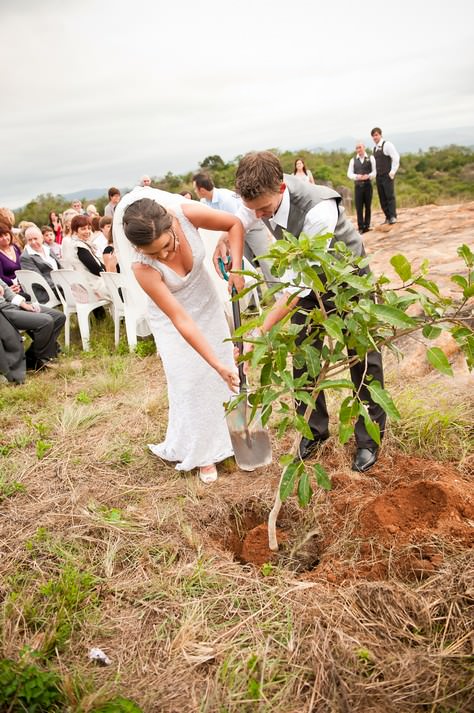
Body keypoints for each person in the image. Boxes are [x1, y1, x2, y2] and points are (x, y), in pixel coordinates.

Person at [219, 150, 385, 473]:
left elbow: (296, 288)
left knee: (363, 360)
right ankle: (314, 431)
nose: (261, 216)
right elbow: (238, 223)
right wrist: (232, 254)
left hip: (347, 280)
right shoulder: (256, 199)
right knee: (303, 357)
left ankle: (368, 440)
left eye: (265, 209)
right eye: (255, 209)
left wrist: (258, 333)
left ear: (281, 188)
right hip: (307, 282)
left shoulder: (318, 210)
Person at [114, 187, 244, 483]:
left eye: (166, 244)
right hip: (173, 319)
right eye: (153, 253)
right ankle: (202, 453)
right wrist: (215, 363)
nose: (163, 254)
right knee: (190, 380)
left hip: (206, 302)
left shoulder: (186, 214)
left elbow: (234, 224)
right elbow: (179, 318)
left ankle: (227, 439)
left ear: (171, 224)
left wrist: (237, 268)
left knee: (223, 376)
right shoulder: (141, 267)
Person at [192, 172, 274, 289]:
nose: (195, 191)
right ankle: (253, 300)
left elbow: (239, 222)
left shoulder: (225, 199)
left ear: (202, 190)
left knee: (265, 261)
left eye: (195, 189)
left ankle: (279, 294)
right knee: (243, 265)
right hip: (232, 234)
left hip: (251, 228)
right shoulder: (204, 203)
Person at [0, 277, 65, 371]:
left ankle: (32, 358)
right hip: (3, 312)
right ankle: (42, 358)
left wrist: (25, 305)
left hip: (10, 305)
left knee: (58, 317)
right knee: (45, 321)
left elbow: (7, 291)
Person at [68, 215, 109, 299]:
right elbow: (95, 268)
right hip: (91, 286)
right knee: (119, 288)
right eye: (83, 229)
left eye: (89, 228)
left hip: (85, 283)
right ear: (75, 230)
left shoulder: (77, 243)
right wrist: (108, 274)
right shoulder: (79, 246)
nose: (87, 231)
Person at [20, 226, 61, 302]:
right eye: (29, 240)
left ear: (41, 238)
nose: (33, 242)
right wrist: (61, 286)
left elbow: (60, 267)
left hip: (58, 285)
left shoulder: (48, 249)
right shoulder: (26, 257)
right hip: (45, 291)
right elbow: (38, 280)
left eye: (35, 238)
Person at [371, 127, 400, 225]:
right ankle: (387, 217)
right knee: (382, 197)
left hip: (387, 175)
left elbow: (396, 157)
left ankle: (393, 216)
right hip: (378, 176)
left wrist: (392, 172)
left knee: (389, 196)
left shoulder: (387, 145)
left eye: (376, 135)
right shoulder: (374, 148)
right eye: (373, 136)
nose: (375, 137)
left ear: (380, 135)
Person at [347, 142, 376, 233]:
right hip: (358, 186)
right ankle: (360, 227)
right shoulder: (353, 160)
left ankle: (367, 225)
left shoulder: (371, 158)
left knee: (368, 206)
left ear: (364, 147)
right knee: (359, 207)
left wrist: (369, 176)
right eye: (357, 148)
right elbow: (349, 174)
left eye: (360, 147)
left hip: (368, 185)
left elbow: (375, 172)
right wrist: (357, 176)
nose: (358, 149)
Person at [0, 219, 25, 297]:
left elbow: (23, 265)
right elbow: (1, 276)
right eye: (0, 236)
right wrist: (13, 286)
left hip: (23, 282)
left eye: (6, 234)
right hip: (10, 287)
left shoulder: (15, 247)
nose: (4, 238)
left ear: (10, 234)